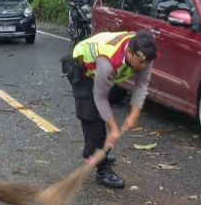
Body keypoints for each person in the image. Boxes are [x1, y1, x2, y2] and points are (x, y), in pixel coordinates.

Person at [63, 30, 157, 189]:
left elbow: (141, 85)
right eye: (139, 62)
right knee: (92, 116)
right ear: (129, 51)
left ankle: (95, 152)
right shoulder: (107, 63)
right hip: (81, 68)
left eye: (146, 63)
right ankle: (101, 168)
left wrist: (134, 113)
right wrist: (113, 128)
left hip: (102, 73)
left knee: (106, 107)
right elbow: (99, 97)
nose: (143, 66)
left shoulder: (145, 55)